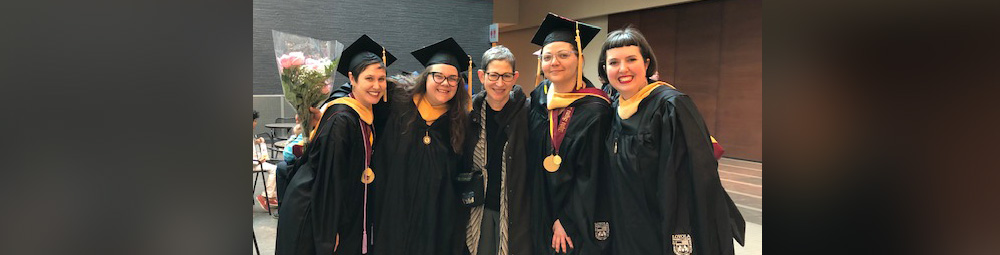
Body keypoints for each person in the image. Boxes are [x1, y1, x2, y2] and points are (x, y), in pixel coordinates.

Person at [598, 26, 745, 254]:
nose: (623, 69)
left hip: (662, 224)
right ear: (605, 68)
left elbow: (696, 174)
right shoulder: (612, 110)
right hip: (625, 225)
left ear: (646, 64)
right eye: (614, 62)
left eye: (631, 59)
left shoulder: (671, 106)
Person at [275, 34, 396, 255]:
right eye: (369, 78)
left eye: (381, 78)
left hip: (332, 208)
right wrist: (328, 233)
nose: (377, 86)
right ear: (352, 78)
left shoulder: (364, 111)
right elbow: (329, 180)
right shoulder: (343, 119)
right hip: (316, 211)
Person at [363, 37, 472, 255]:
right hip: (393, 205)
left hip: (435, 215)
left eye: (453, 79)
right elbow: (357, 92)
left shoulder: (461, 120)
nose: (445, 83)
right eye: (439, 76)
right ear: (426, 76)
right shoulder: (396, 97)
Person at [526, 13, 613, 255]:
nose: (554, 62)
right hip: (539, 206)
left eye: (563, 55)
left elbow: (593, 174)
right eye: (548, 57)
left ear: (580, 59)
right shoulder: (539, 96)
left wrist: (564, 218)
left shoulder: (596, 108)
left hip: (575, 218)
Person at [459, 45, 532, 255]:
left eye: (506, 76)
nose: (499, 83)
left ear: (515, 77)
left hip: (515, 209)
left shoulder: (527, 113)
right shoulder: (469, 113)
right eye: (493, 75)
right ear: (481, 76)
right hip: (477, 208)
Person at [274, 118, 303, 212]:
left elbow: (288, 155)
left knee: (280, 167)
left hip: (302, 168)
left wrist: (289, 143)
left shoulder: (304, 135)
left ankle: (282, 207)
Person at [254, 110, 279, 211]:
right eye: (254, 121)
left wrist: (256, 142)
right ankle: (266, 196)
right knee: (275, 169)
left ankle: (271, 196)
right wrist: (259, 161)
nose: (256, 123)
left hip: (254, 161)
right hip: (254, 163)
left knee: (273, 168)